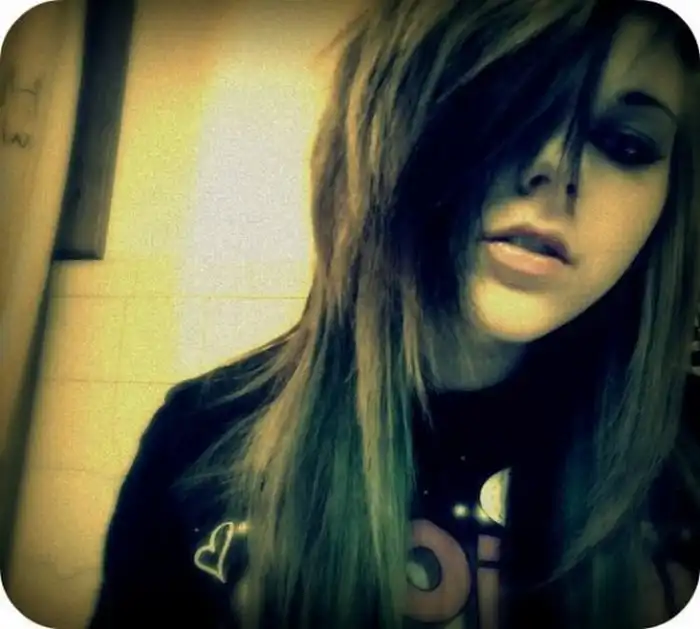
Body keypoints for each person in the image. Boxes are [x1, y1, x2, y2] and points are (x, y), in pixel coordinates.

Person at [88, 1, 700, 628]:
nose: (555, 168)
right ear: (383, 126)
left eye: (627, 145)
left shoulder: (688, 451)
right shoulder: (201, 441)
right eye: (510, 106)